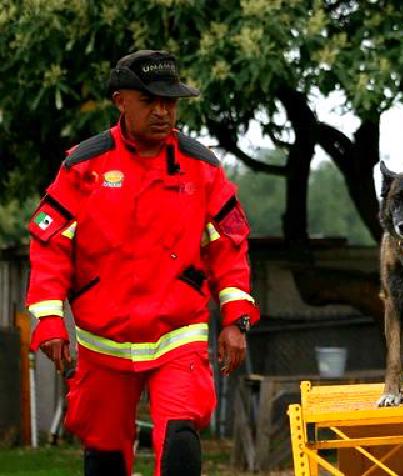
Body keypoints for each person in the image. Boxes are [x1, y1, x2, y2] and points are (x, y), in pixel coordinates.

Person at [26, 50, 260, 476]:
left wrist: (235, 318)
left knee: (180, 445)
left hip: (178, 336)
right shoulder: (82, 166)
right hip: (102, 340)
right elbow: (49, 245)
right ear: (120, 101)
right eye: (150, 101)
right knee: (104, 455)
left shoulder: (202, 168)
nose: (163, 112)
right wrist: (48, 319)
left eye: (170, 102)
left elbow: (230, 244)